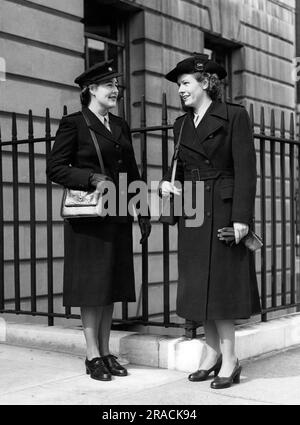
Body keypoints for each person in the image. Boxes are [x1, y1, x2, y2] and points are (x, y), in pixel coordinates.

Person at [46, 60, 151, 381]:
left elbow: (132, 170)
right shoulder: (74, 124)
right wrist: (90, 177)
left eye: (117, 86)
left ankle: (106, 353)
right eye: (110, 86)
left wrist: (142, 209)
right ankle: (92, 355)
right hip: (88, 219)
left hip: (118, 213)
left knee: (110, 287)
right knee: (92, 289)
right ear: (90, 89)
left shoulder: (119, 125)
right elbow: (55, 168)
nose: (116, 91)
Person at [161, 54, 261, 389]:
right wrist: (167, 184)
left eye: (186, 83)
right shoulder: (181, 124)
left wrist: (241, 218)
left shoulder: (234, 116)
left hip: (222, 206)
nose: (181, 90)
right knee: (198, 285)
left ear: (206, 82)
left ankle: (230, 360)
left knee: (221, 286)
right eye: (179, 85)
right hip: (192, 207)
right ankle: (210, 353)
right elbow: (181, 167)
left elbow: (246, 169)